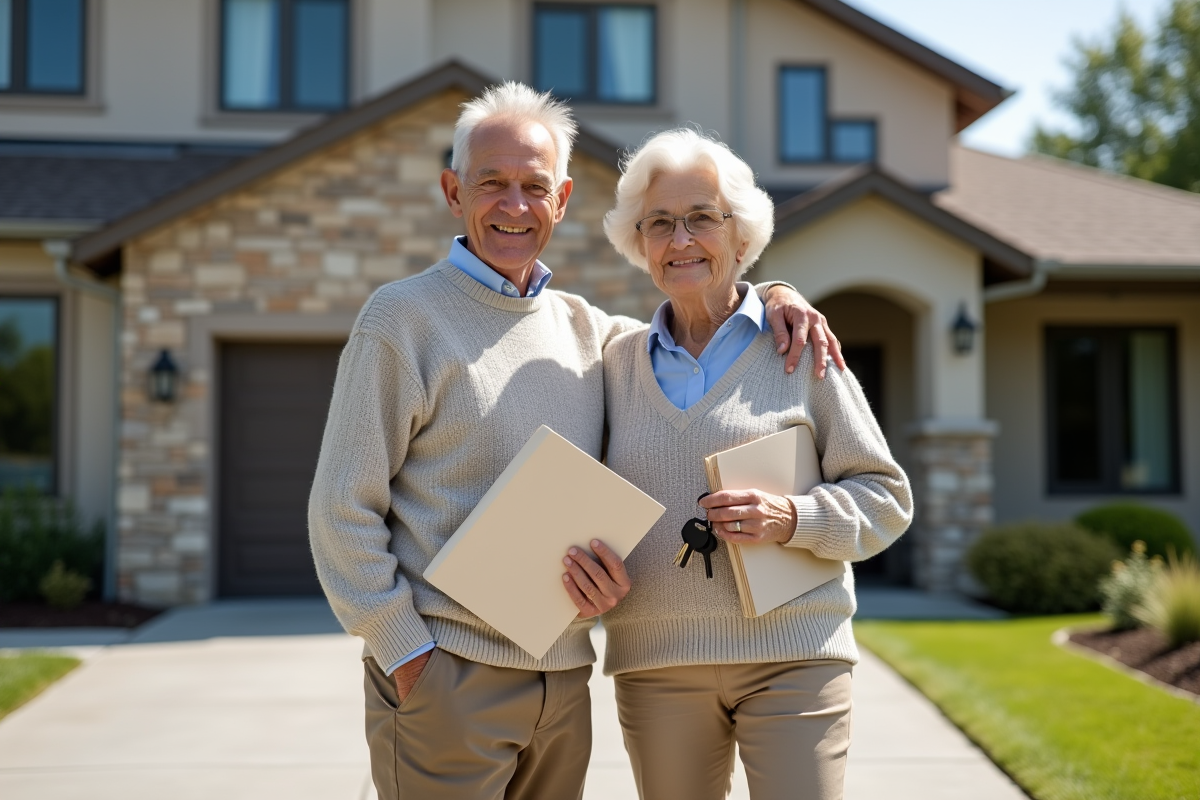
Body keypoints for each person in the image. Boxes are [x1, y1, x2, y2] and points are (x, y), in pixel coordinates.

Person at [307, 84, 842, 800]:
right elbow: (341, 510)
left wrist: (776, 293)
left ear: (560, 201)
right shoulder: (401, 321)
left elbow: (704, 325)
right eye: (492, 183)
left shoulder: (595, 336)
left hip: (563, 685)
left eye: (535, 186)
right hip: (446, 677)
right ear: (453, 192)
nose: (515, 205)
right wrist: (408, 655)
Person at [598, 128, 914, 800]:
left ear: (741, 236)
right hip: (657, 664)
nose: (681, 239)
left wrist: (794, 518)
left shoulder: (798, 347)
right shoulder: (612, 363)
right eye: (660, 223)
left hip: (795, 656)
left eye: (702, 218)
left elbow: (886, 498)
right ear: (639, 243)